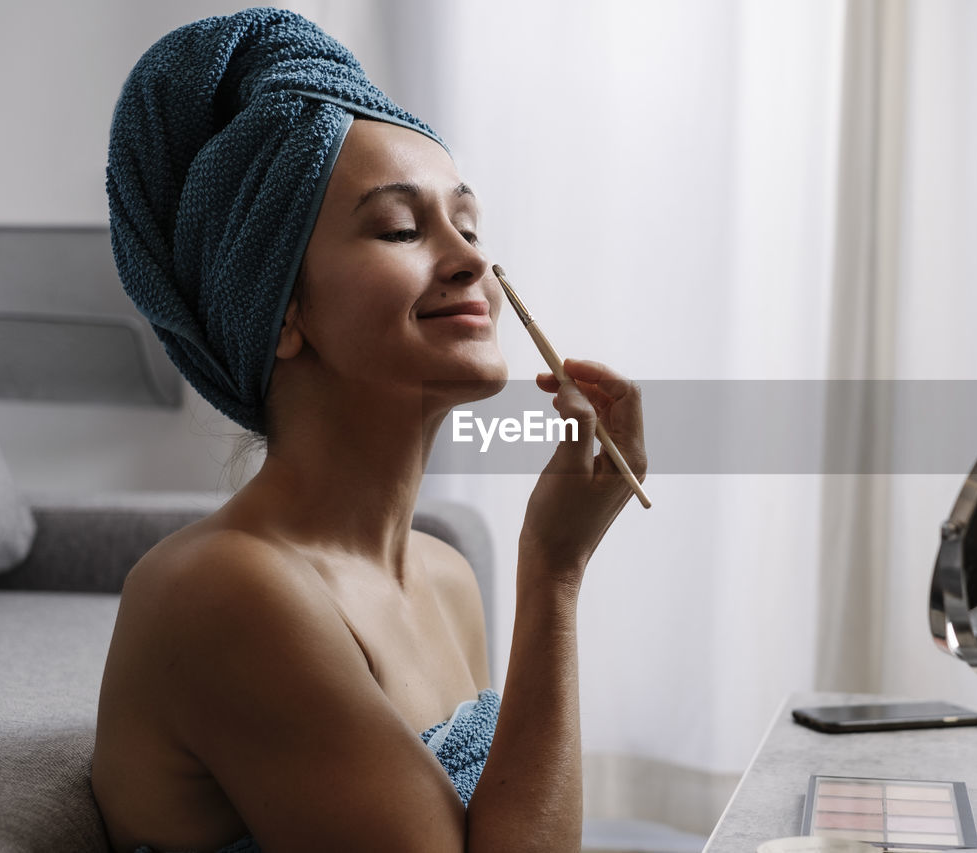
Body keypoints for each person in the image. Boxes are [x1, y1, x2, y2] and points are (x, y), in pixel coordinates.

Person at [91, 9, 646, 852]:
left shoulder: (447, 574)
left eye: (469, 223)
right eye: (399, 228)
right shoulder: (227, 593)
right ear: (280, 312)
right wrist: (554, 572)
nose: (470, 260)